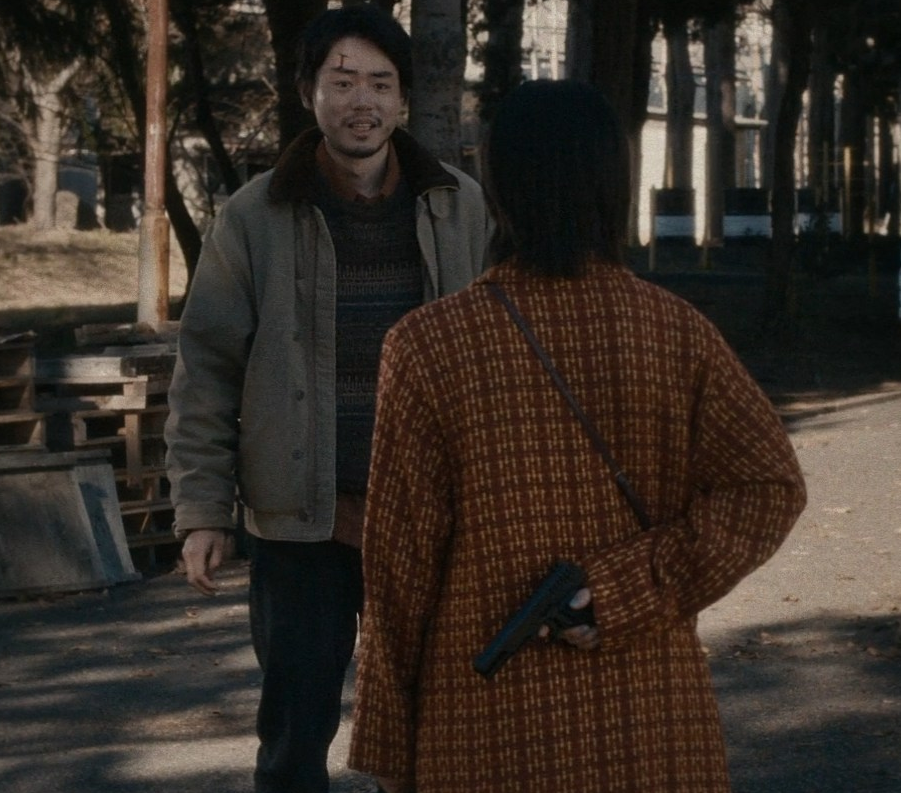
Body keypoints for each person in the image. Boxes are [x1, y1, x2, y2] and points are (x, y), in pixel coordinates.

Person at [348, 79, 807, 793]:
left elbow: (398, 570)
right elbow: (768, 487)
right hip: (652, 723)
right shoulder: (676, 331)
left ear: (499, 187)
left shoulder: (429, 345)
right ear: (615, 184)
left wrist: (388, 749)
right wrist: (629, 589)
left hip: (483, 724)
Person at [163, 5, 490, 792]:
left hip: (425, 514)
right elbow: (207, 368)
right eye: (342, 82)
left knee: (432, 727)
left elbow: (497, 356)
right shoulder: (252, 216)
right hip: (299, 523)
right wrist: (203, 510)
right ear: (308, 91)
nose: (361, 101)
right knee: (293, 733)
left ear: (403, 99)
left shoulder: (459, 205)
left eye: (380, 82)